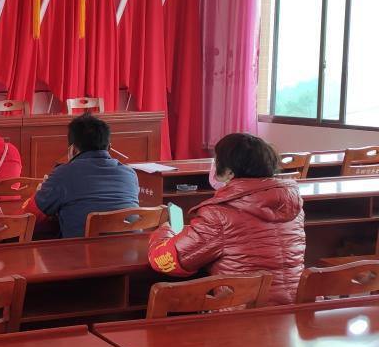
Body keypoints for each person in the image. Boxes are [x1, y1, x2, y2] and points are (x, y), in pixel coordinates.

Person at [147, 133, 306, 305]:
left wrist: (164, 231)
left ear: (229, 172)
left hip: (245, 312)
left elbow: (168, 259)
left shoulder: (219, 214)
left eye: (216, 161)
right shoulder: (292, 206)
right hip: (297, 307)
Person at [23, 114, 139, 238]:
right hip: (133, 247)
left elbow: (30, 217)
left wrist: (40, 192)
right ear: (109, 147)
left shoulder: (63, 174)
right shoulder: (130, 174)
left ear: (72, 150)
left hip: (86, 249)